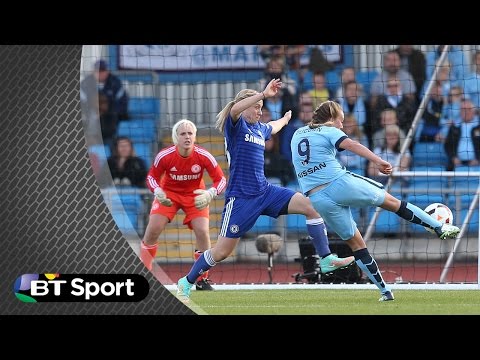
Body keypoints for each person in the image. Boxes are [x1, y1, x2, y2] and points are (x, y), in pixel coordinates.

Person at [176, 79, 355, 303]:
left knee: (312, 206)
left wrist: (287, 119)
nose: (260, 112)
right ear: (246, 105)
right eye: (257, 107)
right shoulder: (235, 126)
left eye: (261, 108)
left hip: (265, 192)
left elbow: (275, 126)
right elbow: (234, 109)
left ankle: (326, 258)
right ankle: (187, 281)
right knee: (221, 252)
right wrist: (262, 94)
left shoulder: (260, 129)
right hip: (241, 199)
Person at [290, 100, 461, 302]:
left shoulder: (297, 134)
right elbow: (352, 144)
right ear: (331, 119)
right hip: (339, 183)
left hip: (317, 198)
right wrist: (378, 161)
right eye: (340, 121)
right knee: (392, 203)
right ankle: (438, 227)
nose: (342, 126)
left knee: (357, 245)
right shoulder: (329, 130)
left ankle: (384, 291)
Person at [140, 119, 227, 291]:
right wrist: (157, 191)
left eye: (190, 133)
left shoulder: (203, 155)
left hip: (195, 195)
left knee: (202, 231)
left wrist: (210, 193)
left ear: (195, 137)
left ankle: (202, 279)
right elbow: (152, 177)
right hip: (168, 195)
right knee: (153, 229)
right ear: (175, 138)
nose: (187, 137)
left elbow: (221, 179)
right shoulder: (164, 156)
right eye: (183, 134)